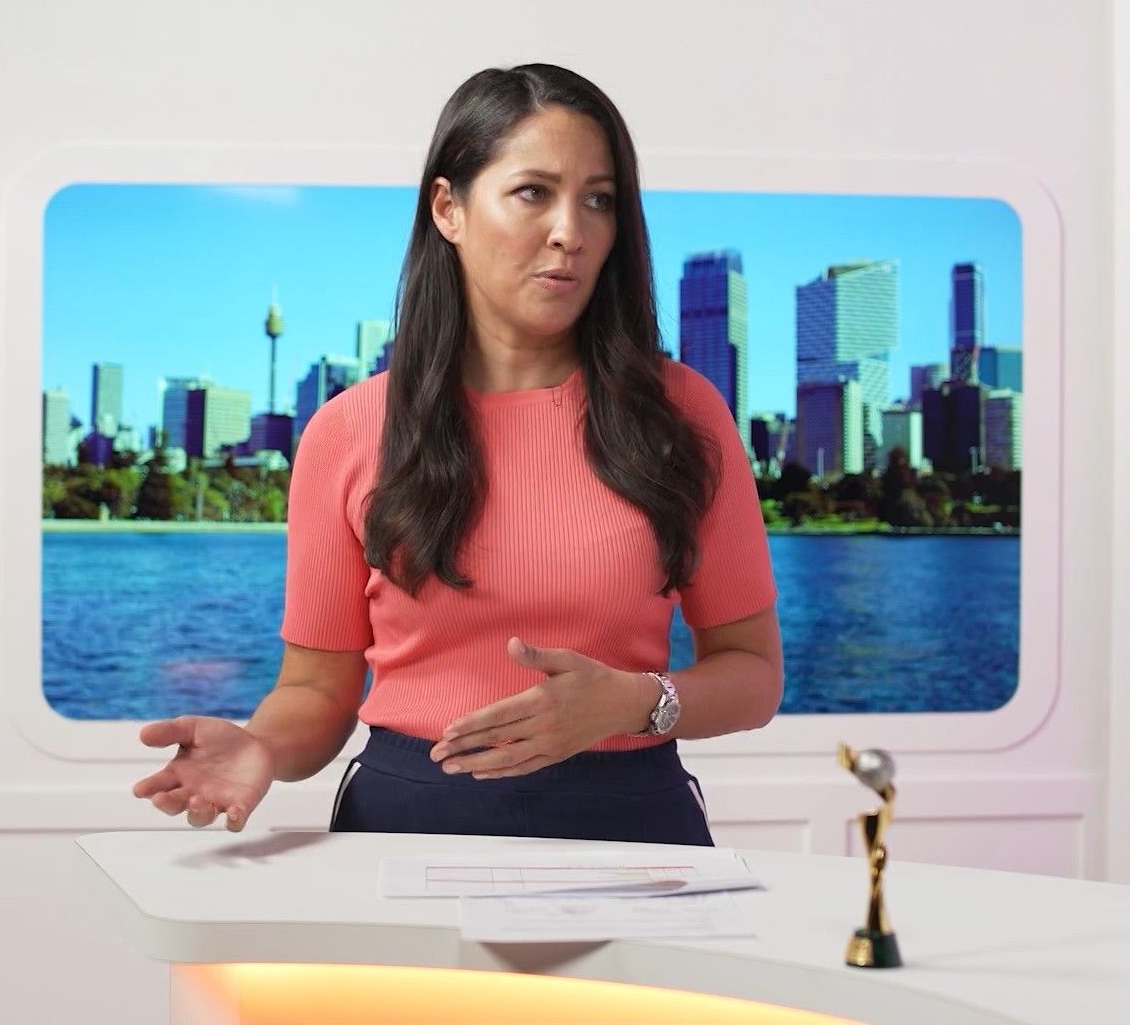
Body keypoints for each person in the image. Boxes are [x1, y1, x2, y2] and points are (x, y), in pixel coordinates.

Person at [130, 64, 783, 846]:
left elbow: (753, 674)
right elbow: (317, 689)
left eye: (599, 200)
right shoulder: (348, 430)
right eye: (533, 192)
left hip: (636, 833)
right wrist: (261, 746)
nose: (570, 231)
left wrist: (637, 702)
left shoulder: (683, 413)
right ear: (449, 209)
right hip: (406, 831)